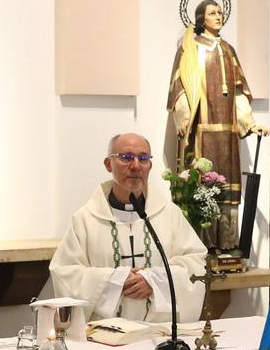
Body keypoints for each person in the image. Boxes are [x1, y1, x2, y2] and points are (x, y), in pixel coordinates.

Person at [50, 133, 206, 323]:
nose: (135, 166)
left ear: (150, 165)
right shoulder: (85, 219)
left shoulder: (169, 214)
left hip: (159, 334)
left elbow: (197, 265)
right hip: (104, 338)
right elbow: (65, 273)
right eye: (125, 157)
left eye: (143, 158)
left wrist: (154, 280)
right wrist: (114, 280)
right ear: (108, 164)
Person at [166, 0, 261, 253]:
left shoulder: (228, 50)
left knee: (226, 185)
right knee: (202, 184)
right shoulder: (189, 49)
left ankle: (227, 243)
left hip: (226, 131)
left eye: (220, 12)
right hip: (201, 129)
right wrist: (183, 115)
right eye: (212, 13)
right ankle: (202, 243)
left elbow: (239, 90)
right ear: (200, 18)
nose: (218, 16)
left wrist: (249, 122)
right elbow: (180, 85)